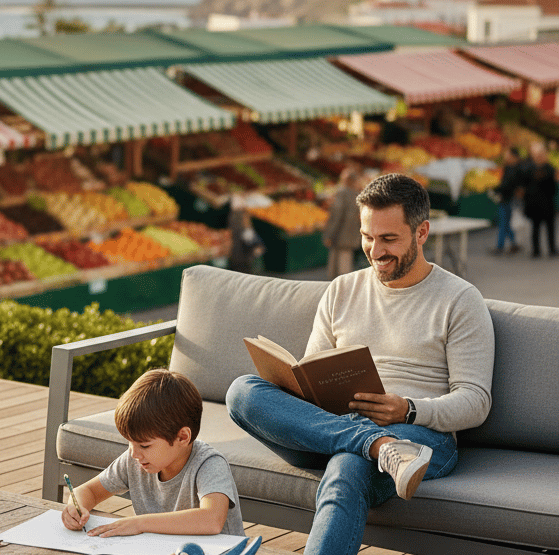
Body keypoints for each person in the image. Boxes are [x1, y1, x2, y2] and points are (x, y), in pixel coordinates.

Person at [226, 174, 494, 555]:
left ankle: (379, 446)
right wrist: (299, 387)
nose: (375, 250)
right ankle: (378, 446)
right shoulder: (342, 290)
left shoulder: (460, 300)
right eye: (367, 237)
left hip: (419, 437)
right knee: (241, 392)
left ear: (422, 232)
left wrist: (408, 409)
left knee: (346, 468)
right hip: (334, 428)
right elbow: (313, 368)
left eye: (389, 239)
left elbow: (476, 401)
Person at [61, 369, 245, 538]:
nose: (134, 453)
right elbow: (88, 491)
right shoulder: (135, 460)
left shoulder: (209, 464)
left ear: (182, 437)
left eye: (144, 445)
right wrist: (76, 507)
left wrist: (139, 523)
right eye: (130, 442)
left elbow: (211, 520)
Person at [323, 162, 364, 278]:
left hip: (340, 235)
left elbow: (336, 216)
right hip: (351, 236)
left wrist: (329, 235)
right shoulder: (357, 195)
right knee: (345, 264)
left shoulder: (342, 193)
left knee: (338, 267)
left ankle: (339, 287)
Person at [491, 146, 529, 255]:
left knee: (504, 223)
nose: (506, 157)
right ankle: (514, 243)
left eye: (507, 155)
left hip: (511, 200)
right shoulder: (508, 167)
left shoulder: (519, 168)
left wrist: (497, 189)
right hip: (505, 198)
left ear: (513, 156)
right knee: (505, 224)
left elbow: (511, 184)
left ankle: (500, 246)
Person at [523, 142, 558, 258]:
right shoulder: (530, 169)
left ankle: (552, 249)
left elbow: (553, 186)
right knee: (536, 227)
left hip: (547, 203)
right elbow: (525, 186)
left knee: (550, 228)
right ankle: (536, 250)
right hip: (535, 204)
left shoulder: (550, 168)